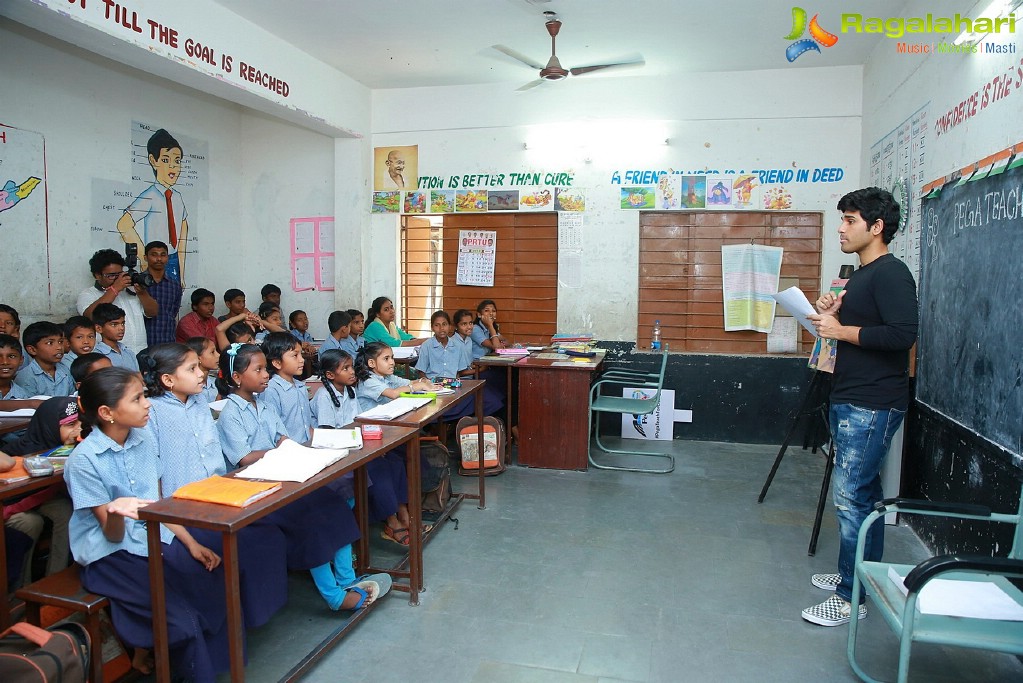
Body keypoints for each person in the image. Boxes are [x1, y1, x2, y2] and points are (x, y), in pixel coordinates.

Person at [65, 368, 229, 681]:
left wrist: (191, 543)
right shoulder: (84, 460)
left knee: (209, 579)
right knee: (180, 618)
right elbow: (112, 535)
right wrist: (115, 511)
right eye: (137, 399)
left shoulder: (141, 439)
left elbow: (157, 505)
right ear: (107, 412)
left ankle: (199, 661)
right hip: (109, 555)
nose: (148, 404)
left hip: (149, 538)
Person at [802, 187, 918, 627]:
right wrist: (832, 313)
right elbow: (866, 325)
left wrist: (842, 330)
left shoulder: (891, 273)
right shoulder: (861, 275)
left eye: (849, 220)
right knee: (864, 497)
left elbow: (901, 336)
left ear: (876, 227)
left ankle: (850, 598)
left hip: (871, 404)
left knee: (851, 499)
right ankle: (858, 575)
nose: (841, 228)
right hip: (852, 396)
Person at [214, 344, 389, 612]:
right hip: (257, 488)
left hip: (286, 476)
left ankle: (348, 579)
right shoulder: (231, 414)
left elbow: (282, 437)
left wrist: (293, 451)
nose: (264, 376)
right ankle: (334, 596)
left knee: (334, 504)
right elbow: (244, 458)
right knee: (310, 520)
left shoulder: (263, 406)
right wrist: (283, 451)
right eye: (258, 370)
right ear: (237, 378)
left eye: (264, 369)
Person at [140, 343, 288, 629]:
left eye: (200, 367)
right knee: (232, 548)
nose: (201, 374)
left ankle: (255, 615)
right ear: (167, 380)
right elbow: (153, 479)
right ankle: (235, 622)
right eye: (192, 369)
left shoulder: (198, 402)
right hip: (182, 508)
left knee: (268, 536)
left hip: (218, 494)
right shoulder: (153, 413)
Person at [315, 349, 415, 547]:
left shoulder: (349, 391)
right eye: (345, 368)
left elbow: (360, 422)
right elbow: (327, 434)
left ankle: (405, 514)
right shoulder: (323, 396)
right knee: (378, 469)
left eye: (351, 366)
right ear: (330, 375)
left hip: (356, 446)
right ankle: (392, 521)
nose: (352, 372)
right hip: (338, 452)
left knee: (394, 462)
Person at [116, 129, 189, 284]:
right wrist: (143, 257)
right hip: (155, 264)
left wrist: (181, 273)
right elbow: (124, 224)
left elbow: (183, 232)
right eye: (165, 160)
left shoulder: (177, 197)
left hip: (174, 260)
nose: (173, 166)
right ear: (153, 160)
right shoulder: (150, 195)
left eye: (177, 161)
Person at [77, 248, 156, 354]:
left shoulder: (130, 291)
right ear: (97, 275)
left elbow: (153, 312)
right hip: (110, 355)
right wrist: (115, 289)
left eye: (119, 274)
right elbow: (90, 316)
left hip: (139, 353)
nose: (117, 279)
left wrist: (142, 293)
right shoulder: (88, 294)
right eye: (111, 275)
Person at [355, 341, 440, 413]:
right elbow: (393, 393)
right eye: (386, 359)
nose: (392, 362)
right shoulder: (367, 380)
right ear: (371, 363)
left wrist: (424, 381)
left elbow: (409, 382)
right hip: (370, 423)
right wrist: (419, 385)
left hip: (386, 417)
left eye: (392, 358)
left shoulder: (387, 376)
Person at [259, 333, 313, 444]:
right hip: (288, 451)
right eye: (295, 355)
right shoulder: (271, 390)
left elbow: (307, 425)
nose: (302, 360)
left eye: (301, 354)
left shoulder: (300, 386)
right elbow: (273, 430)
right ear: (277, 363)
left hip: (307, 445)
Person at [15, 321, 75, 397]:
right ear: (32, 350)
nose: (59, 347)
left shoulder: (65, 370)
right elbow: (27, 405)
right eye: (50, 343)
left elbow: (71, 398)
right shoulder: (26, 377)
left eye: (60, 342)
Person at [142, 241, 183, 346]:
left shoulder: (174, 285)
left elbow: (173, 313)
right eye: (154, 255)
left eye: (163, 255)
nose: (159, 259)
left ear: (167, 258)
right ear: (145, 257)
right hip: (143, 342)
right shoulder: (137, 283)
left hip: (167, 341)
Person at [92, 303, 140, 373]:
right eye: (114, 324)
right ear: (99, 328)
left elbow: (138, 378)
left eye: (123, 323)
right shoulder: (96, 356)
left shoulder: (129, 353)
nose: (121, 328)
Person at [415, 310, 463, 380]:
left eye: (444, 324)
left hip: (452, 384)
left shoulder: (458, 346)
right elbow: (421, 372)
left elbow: (458, 372)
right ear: (432, 328)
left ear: (449, 326)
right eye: (437, 325)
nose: (441, 328)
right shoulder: (426, 346)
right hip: (432, 385)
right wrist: (429, 385)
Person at [184, 337, 220, 402]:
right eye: (212, 352)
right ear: (198, 358)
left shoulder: (216, 383)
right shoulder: (189, 389)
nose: (218, 355)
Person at [451, 309, 477, 378]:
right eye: (464, 324)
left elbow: (469, 364)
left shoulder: (469, 339)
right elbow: (459, 372)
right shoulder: (453, 343)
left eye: (471, 323)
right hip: (460, 380)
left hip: (471, 376)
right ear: (456, 326)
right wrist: (480, 370)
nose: (469, 327)